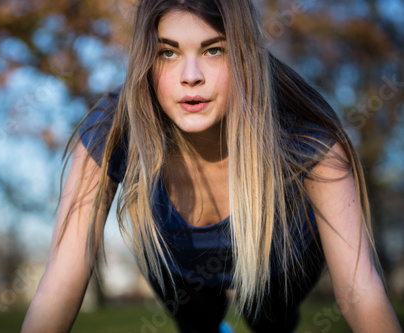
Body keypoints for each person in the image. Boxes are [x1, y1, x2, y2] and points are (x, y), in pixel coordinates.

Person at [22, 0, 403, 332]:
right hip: (180, 262)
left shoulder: (307, 137)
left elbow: (360, 291)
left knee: (268, 320)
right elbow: (61, 277)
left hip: (281, 264)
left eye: (214, 50)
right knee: (197, 326)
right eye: (168, 52)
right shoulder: (114, 128)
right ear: (146, 60)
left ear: (244, 58)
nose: (191, 76)